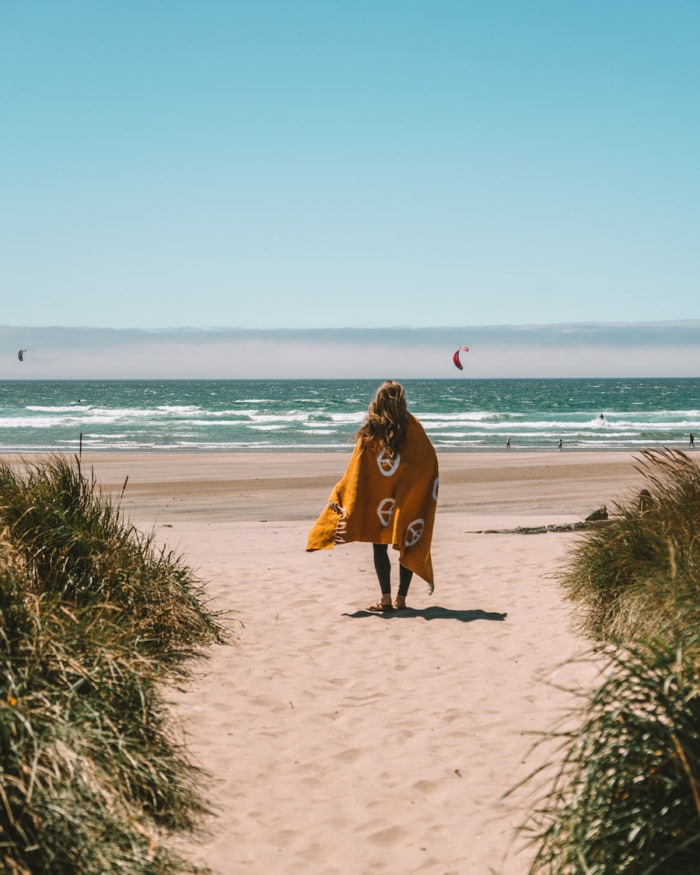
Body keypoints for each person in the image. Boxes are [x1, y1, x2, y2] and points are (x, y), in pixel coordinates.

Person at [306, 380, 438, 612]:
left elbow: (357, 470)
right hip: (405, 500)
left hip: (380, 503)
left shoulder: (373, 428)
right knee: (407, 541)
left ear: (379, 400)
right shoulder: (412, 426)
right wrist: (418, 490)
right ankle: (401, 599)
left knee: (380, 547)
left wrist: (344, 490)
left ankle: (386, 599)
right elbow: (426, 461)